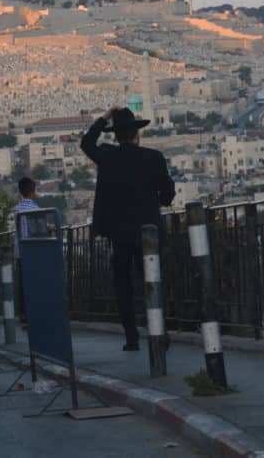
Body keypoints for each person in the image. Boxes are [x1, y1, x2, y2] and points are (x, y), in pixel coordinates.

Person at [81, 107, 175, 351]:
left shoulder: (108, 156)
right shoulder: (153, 158)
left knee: (123, 287)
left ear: (116, 135)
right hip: (149, 233)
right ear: (137, 134)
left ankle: (132, 338)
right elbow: (167, 195)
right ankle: (160, 332)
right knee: (153, 282)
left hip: (119, 234)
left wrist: (104, 117)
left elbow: (86, 142)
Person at [12, 177, 40, 322]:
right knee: (34, 282)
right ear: (32, 191)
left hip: (20, 251)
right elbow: (37, 230)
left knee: (22, 283)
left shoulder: (17, 209)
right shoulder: (34, 209)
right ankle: (34, 311)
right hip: (32, 251)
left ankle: (23, 314)